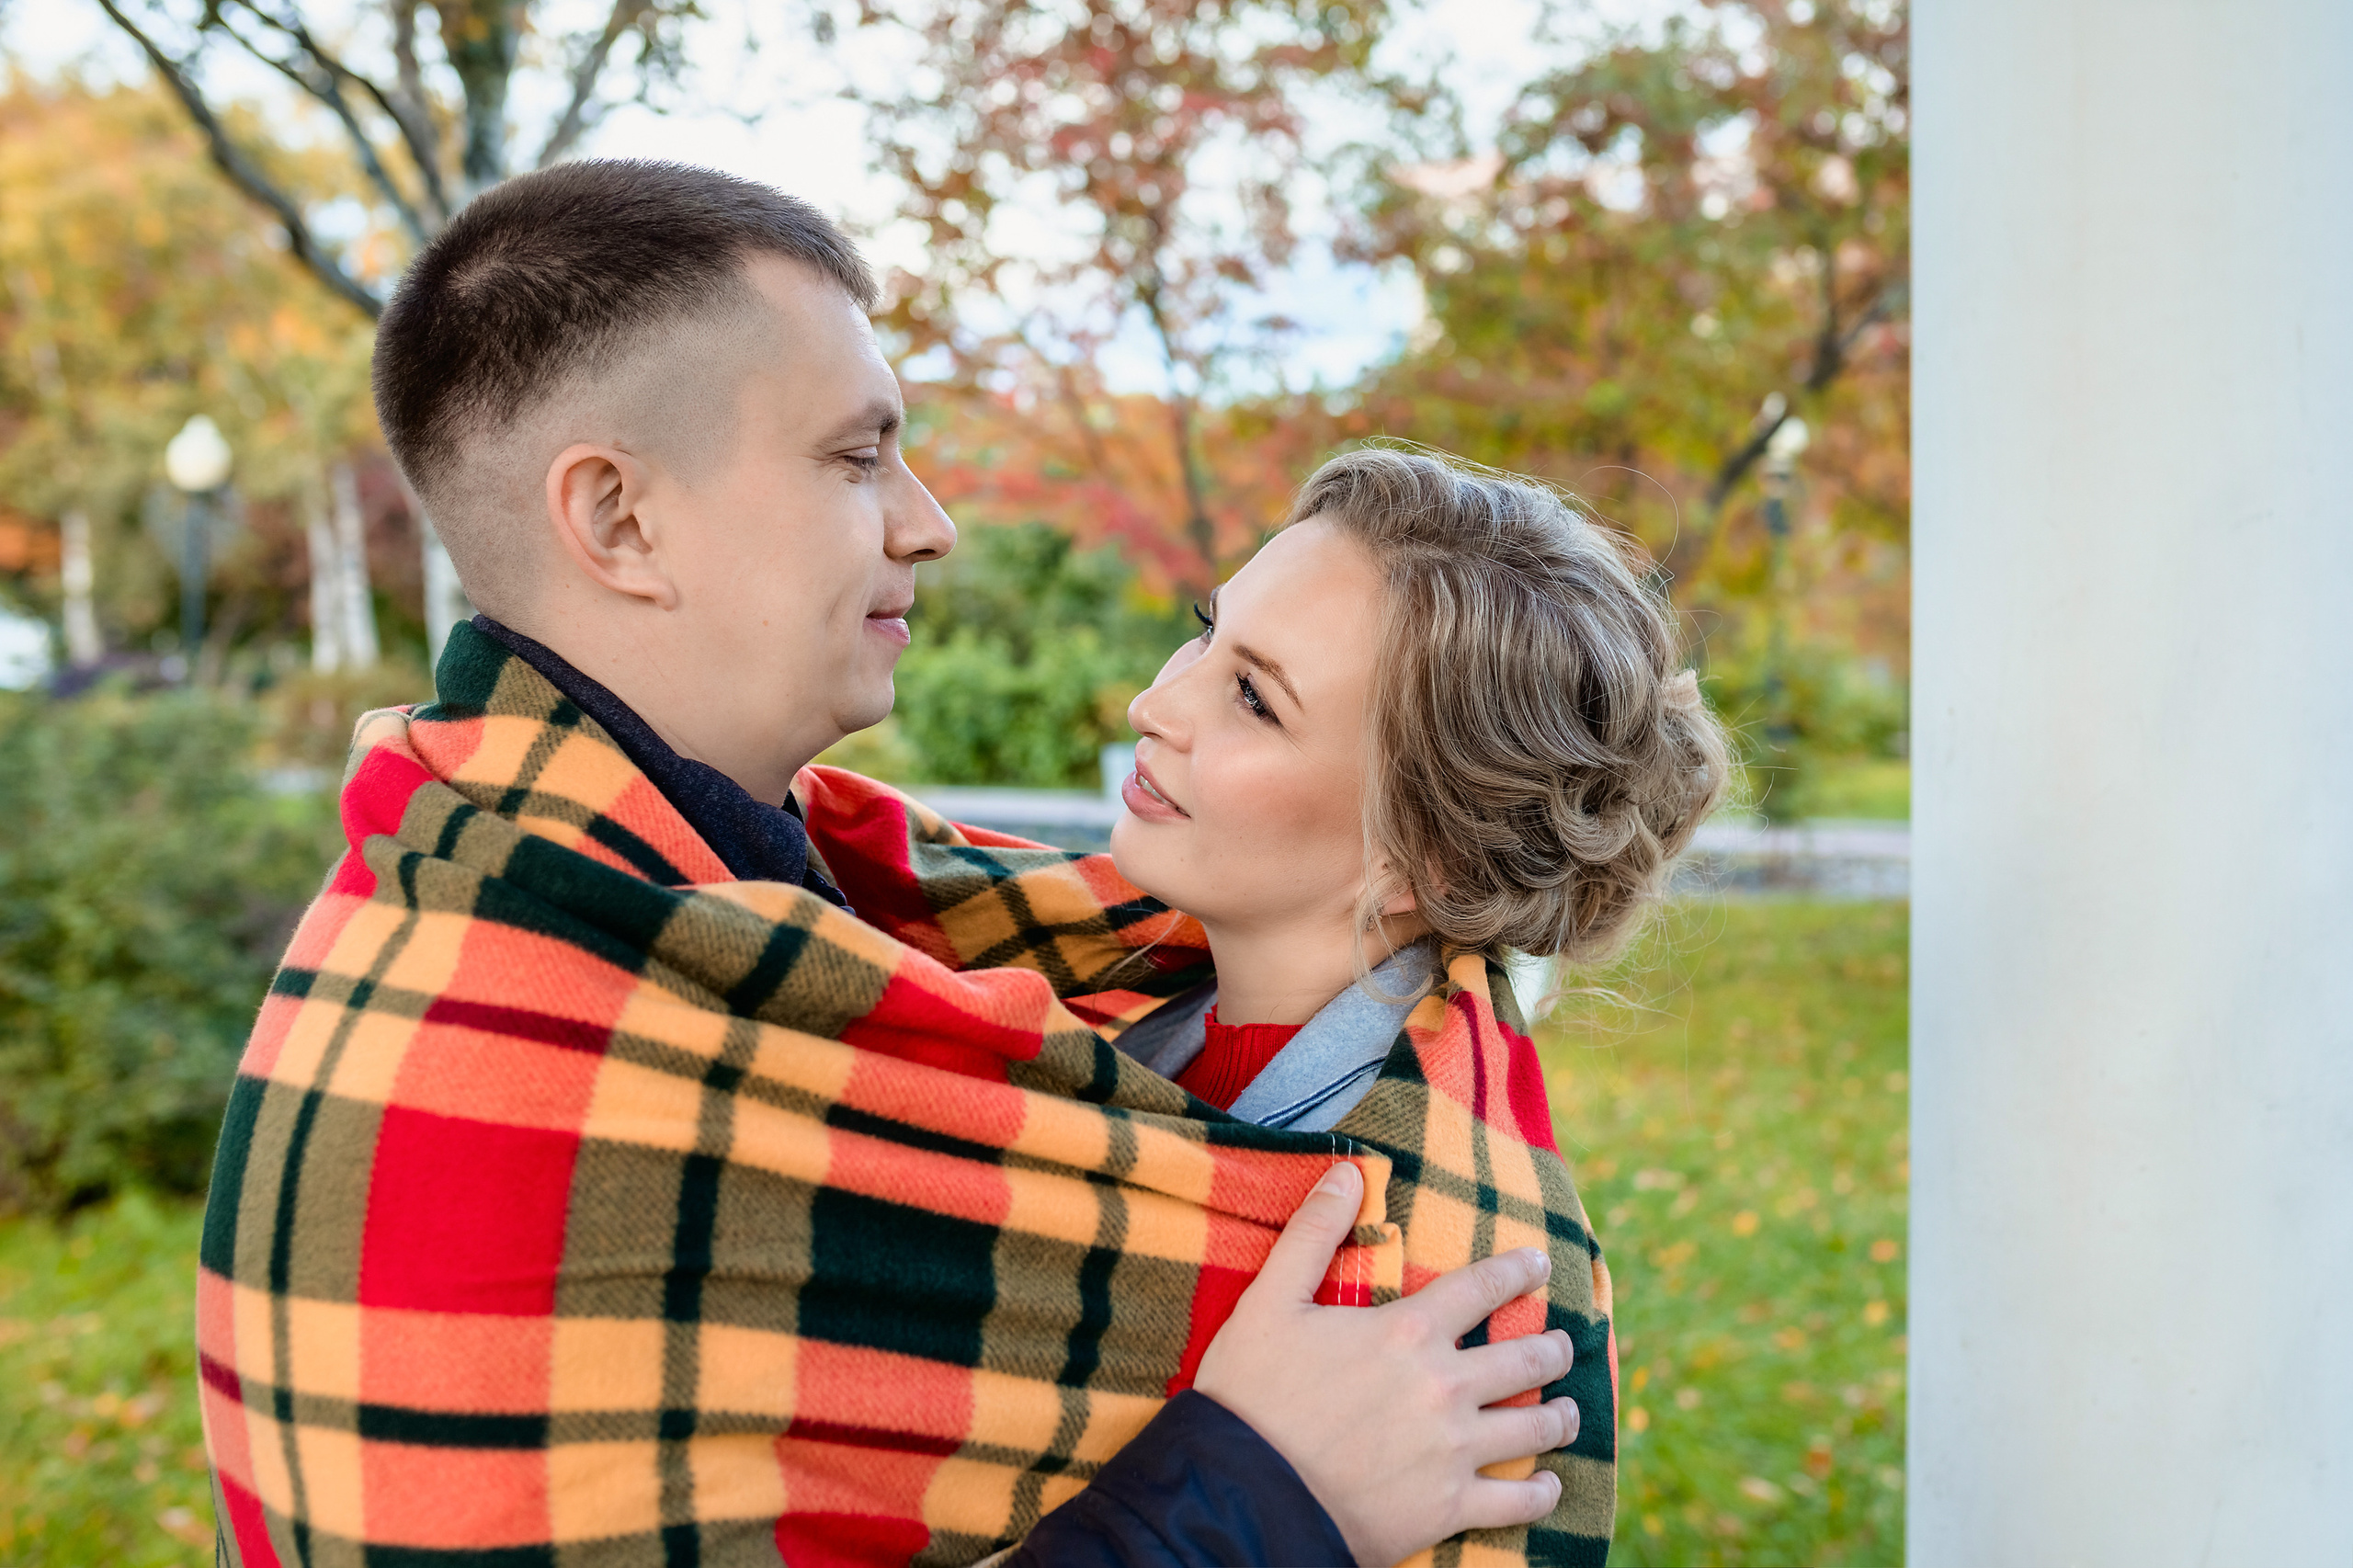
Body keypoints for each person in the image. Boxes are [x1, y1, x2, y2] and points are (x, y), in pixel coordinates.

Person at [195, 161, 1643, 1568]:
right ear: (620, 520)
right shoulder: (491, 1047)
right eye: (854, 455)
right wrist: (1241, 1503)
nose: (929, 523)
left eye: (1255, 691)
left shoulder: (870, 933)